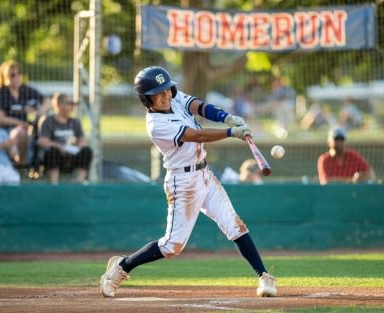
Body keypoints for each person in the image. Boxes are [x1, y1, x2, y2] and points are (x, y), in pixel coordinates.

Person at [99, 66, 277, 298]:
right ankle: (121, 267)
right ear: (146, 99)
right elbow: (196, 135)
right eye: (158, 93)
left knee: (235, 226)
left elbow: (199, 106)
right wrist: (231, 132)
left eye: (167, 89)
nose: (165, 95)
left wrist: (226, 117)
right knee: (173, 246)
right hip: (182, 182)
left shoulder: (174, 97)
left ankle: (264, 277)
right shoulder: (156, 124)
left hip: (205, 175)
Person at [0, 60, 50, 165]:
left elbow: (48, 102)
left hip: (27, 128)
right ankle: (22, 165)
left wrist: (39, 113)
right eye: (12, 75)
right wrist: (21, 124)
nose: (17, 77)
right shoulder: (0, 92)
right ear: (4, 77)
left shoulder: (26, 90)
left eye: (19, 73)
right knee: (20, 133)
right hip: (5, 130)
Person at [37, 93, 92, 184]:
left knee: (87, 151)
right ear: (59, 105)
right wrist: (59, 146)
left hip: (71, 155)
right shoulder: (48, 121)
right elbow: (42, 141)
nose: (72, 107)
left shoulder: (75, 122)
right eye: (69, 104)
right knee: (52, 152)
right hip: (56, 156)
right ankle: (54, 183)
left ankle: (79, 182)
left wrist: (80, 144)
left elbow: (82, 139)